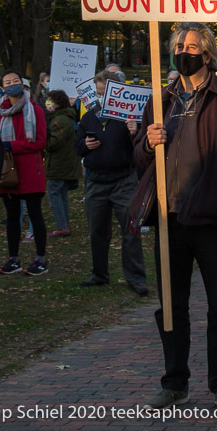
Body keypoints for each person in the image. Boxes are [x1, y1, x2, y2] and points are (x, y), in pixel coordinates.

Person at [132, 22, 217, 412]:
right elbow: (138, 159)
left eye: (191, 46)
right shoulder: (161, 100)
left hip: (215, 221)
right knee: (171, 307)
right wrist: (147, 141)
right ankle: (174, 382)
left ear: (207, 54)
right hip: (168, 219)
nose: (183, 51)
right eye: (178, 45)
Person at [75, 70, 148, 294]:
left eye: (105, 94)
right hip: (96, 182)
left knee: (131, 229)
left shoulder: (130, 117)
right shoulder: (88, 118)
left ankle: (136, 278)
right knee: (97, 230)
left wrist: (135, 132)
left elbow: (143, 147)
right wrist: (85, 145)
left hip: (124, 180)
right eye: (98, 94)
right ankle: (99, 273)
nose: (101, 99)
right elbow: (76, 148)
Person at [0, 71, 49, 276]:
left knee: (35, 214)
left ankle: (41, 258)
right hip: (8, 172)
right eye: (8, 82)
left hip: (30, 171)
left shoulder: (36, 110)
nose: (13, 84)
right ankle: (13, 258)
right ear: (2, 87)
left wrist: (11, 145)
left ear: (23, 84)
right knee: (12, 216)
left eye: (16, 81)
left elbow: (40, 142)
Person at [44, 89, 81, 237]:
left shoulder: (60, 121)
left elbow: (53, 143)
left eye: (50, 101)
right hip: (63, 163)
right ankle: (64, 225)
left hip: (59, 164)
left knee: (55, 193)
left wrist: (43, 138)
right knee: (62, 194)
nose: (47, 104)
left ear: (58, 103)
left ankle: (62, 226)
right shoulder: (63, 118)